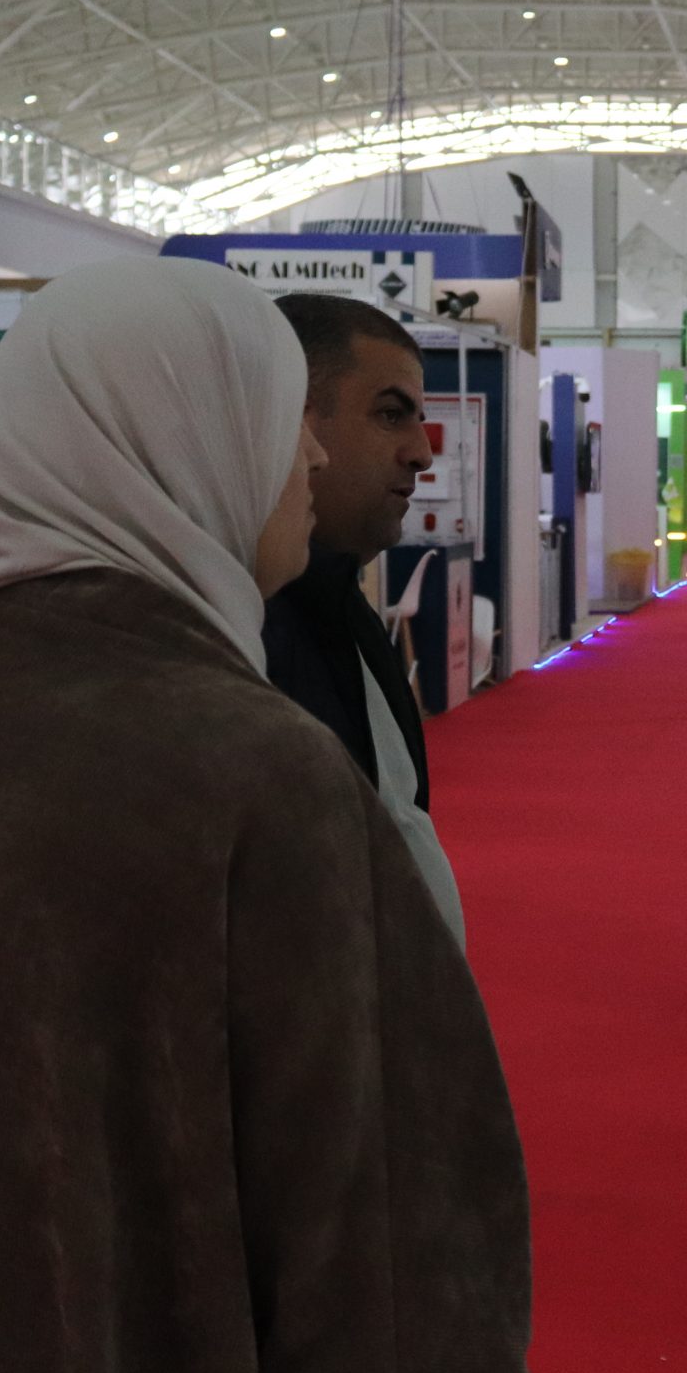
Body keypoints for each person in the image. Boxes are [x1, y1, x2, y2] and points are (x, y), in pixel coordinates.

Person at [0, 257, 536, 1373]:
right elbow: (383, 1237)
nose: (311, 459)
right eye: (277, 419)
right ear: (179, 441)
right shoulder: (253, 766)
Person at [260, 293, 462, 950]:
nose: (421, 453)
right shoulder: (234, 634)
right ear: (288, 421)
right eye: (389, 415)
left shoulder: (337, 605)